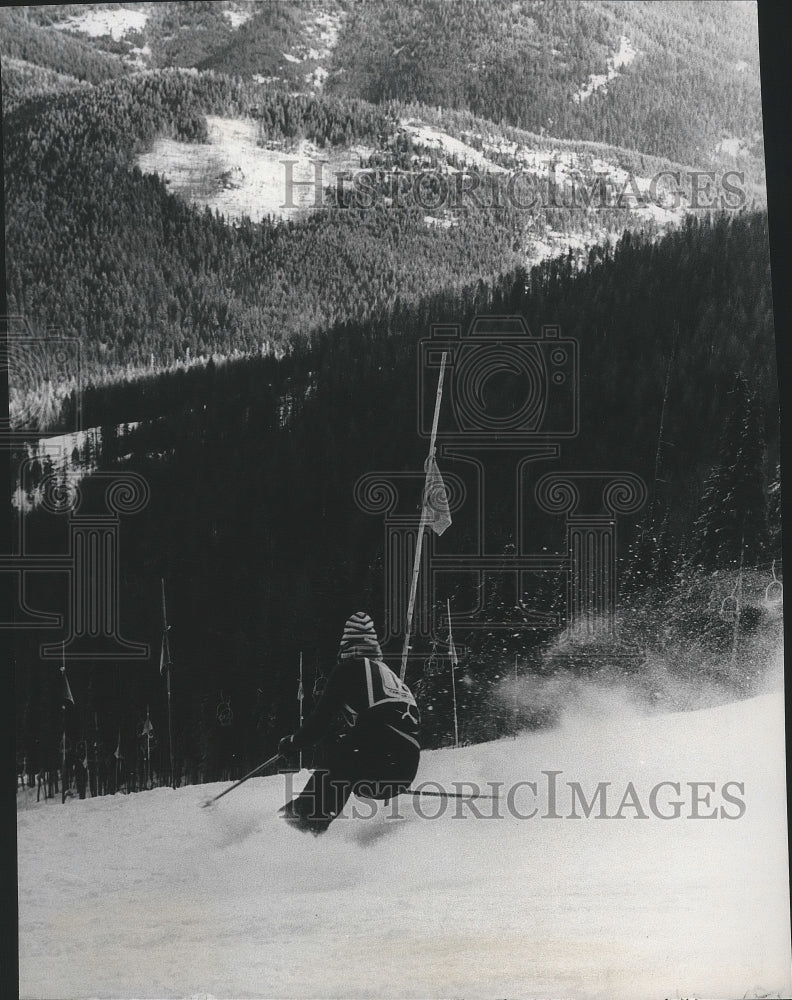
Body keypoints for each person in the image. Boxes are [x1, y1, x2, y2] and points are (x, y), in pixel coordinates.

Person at [279, 612, 420, 834]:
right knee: (344, 754)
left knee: (340, 758)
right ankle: (304, 822)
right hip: (405, 767)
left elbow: (320, 721)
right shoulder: (385, 673)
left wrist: (292, 742)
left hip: (383, 758)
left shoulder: (350, 668)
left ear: (345, 646)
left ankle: (298, 827)